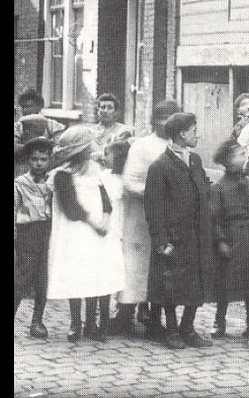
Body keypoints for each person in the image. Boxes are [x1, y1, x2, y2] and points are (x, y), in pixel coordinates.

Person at [46, 126, 125, 342]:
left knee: (95, 274)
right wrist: (94, 223)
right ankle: (75, 323)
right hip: (77, 231)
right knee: (77, 274)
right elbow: (72, 208)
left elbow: (106, 199)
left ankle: (92, 323)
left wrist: (106, 220)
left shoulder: (96, 171)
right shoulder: (62, 175)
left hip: (99, 231)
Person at [144, 112, 215, 350]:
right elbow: (153, 208)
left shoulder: (194, 160)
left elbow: (204, 187)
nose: (198, 134)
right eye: (194, 130)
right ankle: (172, 330)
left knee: (196, 284)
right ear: (182, 134)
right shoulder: (160, 166)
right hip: (174, 238)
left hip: (197, 236)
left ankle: (188, 327)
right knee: (170, 286)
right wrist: (161, 240)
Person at [110, 99, 180, 338]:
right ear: (154, 122)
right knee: (136, 266)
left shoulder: (180, 146)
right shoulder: (143, 146)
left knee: (161, 267)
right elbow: (129, 182)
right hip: (140, 217)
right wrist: (156, 194)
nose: (168, 125)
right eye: (164, 120)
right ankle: (124, 314)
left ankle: (154, 317)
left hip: (166, 219)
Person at [209, 140, 249, 339]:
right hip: (231, 237)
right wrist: (220, 241)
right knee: (224, 283)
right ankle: (220, 321)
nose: (242, 158)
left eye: (243, 154)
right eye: (237, 155)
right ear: (226, 161)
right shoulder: (218, 188)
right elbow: (214, 218)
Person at [14, 137, 54, 338]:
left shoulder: (53, 182)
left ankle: (37, 321)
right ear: (28, 160)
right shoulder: (20, 183)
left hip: (47, 232)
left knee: (42, 280)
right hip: (27, 233)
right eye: (35, 159)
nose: (39, 163)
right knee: (21, 279)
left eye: (43, 159)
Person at [14, 88, 65, 159]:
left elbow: (60, 148)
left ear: (39, 107)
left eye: (28, 106)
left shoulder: (53, 125)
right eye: (23, 107)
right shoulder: (17, 126)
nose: (24, 110)